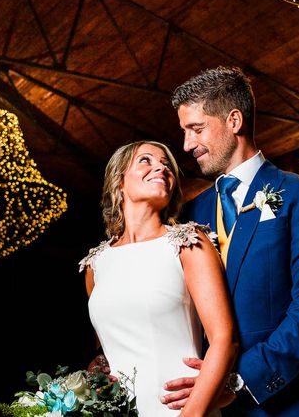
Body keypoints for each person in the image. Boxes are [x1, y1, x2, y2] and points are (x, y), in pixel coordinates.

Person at [163, 67, 299, 416]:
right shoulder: (188, 214)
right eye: (184, 132)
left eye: (196, 129)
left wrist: (241, 379)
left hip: (286, 402)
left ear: (234, 121)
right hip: (201, 404)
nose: (186, 145)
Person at [81, 141, 238, 417]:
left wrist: (193, 413)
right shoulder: (96, 263)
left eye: (167, 164)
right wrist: (97, 368)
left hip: (182, 409)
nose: (161, 167)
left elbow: (224, 338)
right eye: (146, 160)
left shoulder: (189, 242)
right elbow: (111, 345)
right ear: (119, 180)